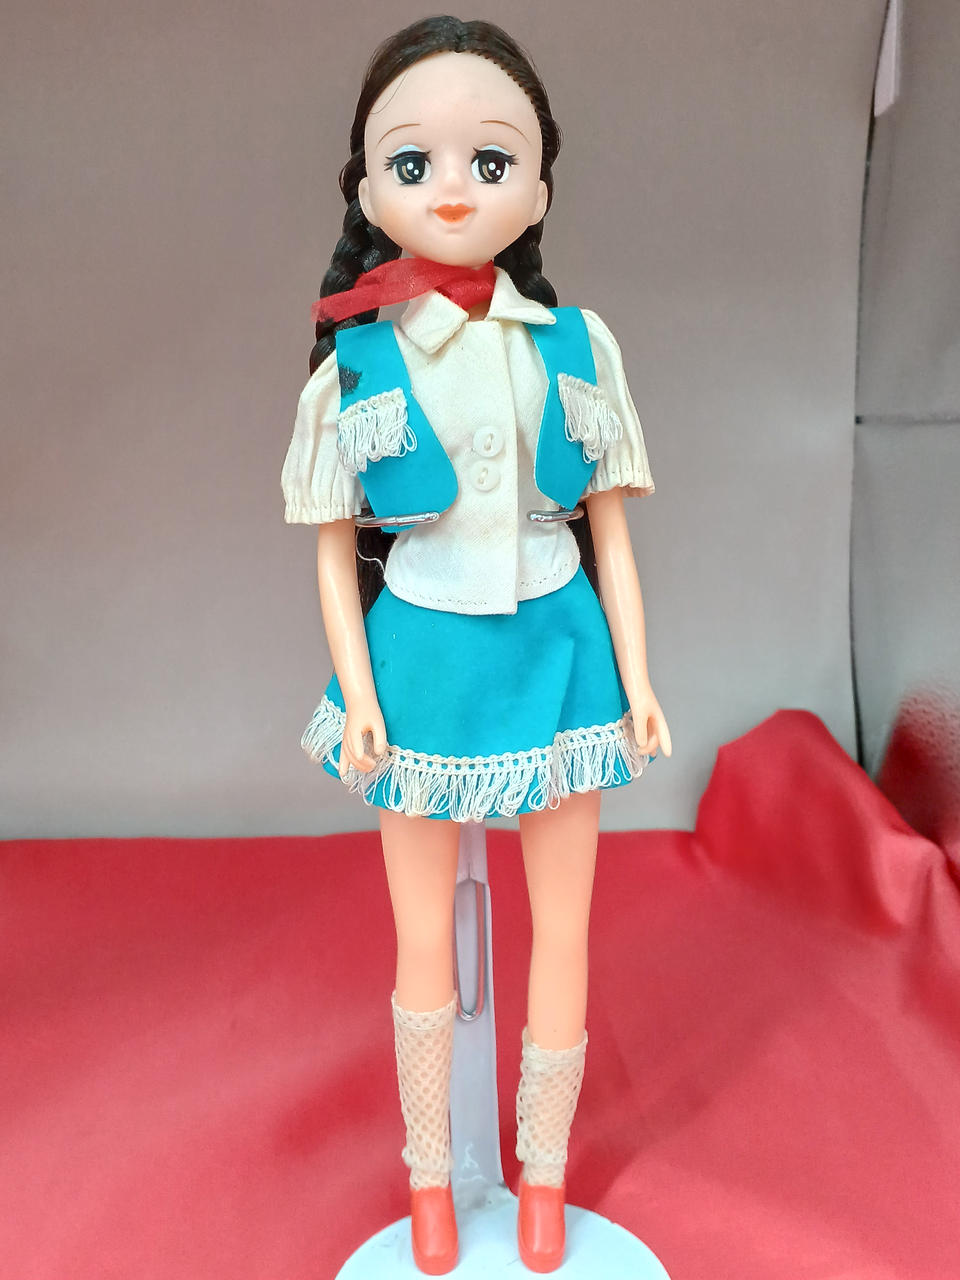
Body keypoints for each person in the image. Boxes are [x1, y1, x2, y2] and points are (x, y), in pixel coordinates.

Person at [281, 16, 671, 1274]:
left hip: (561, 652)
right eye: (415, 163)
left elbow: (610, 532)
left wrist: (639, 675)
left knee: (566, 928)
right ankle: (432, 1179)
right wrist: (358, 690)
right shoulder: (355, 362)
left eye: (490, 162)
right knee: (420, 946)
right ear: (368, 189)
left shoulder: (578, 344)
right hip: (422, 665)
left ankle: (543, 1174)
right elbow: (333, 551)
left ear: (538, 191)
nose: (453, 189)